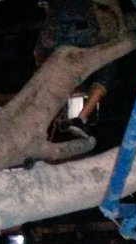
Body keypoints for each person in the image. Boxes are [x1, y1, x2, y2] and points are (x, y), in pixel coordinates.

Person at [33, 0, 122, 140]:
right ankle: (81, 119)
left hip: (53, 34)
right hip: (82, 31)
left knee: (49, 69)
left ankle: (57, 113)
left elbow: (46, 9)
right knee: (108, 66)